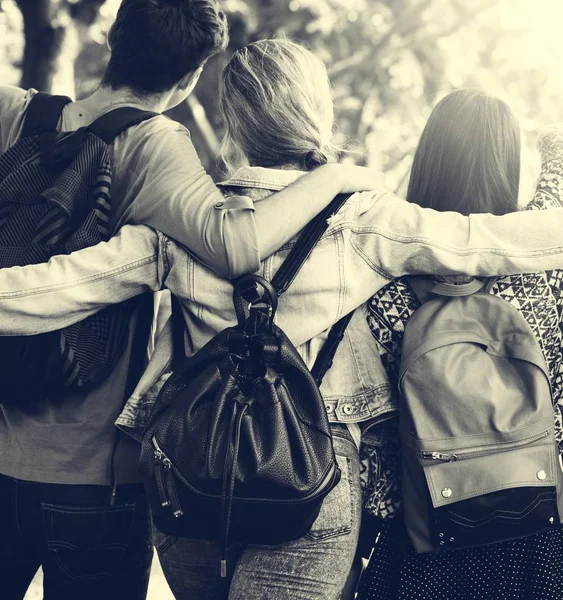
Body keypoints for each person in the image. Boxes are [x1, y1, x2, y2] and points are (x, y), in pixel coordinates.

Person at [2, 43, 563, 599]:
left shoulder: (183, 221)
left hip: (189, 474)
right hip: (312, 477)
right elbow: (496, 243)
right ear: (318, 113)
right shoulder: (360, 219)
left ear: (233, 123)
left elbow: (48, 290)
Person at [0, 3, 378, 599]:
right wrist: (333, 176)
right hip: (95, 478)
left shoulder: (17, 113)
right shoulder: (154, 144)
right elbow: (236, 243)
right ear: (189, 80)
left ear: (112, 38)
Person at [357, 90, 563, 600]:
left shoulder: (384, 278)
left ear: (428, 159)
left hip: (428, 530)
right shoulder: (542, 263)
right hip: (538, 521)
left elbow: (378, 427)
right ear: (509, 165)